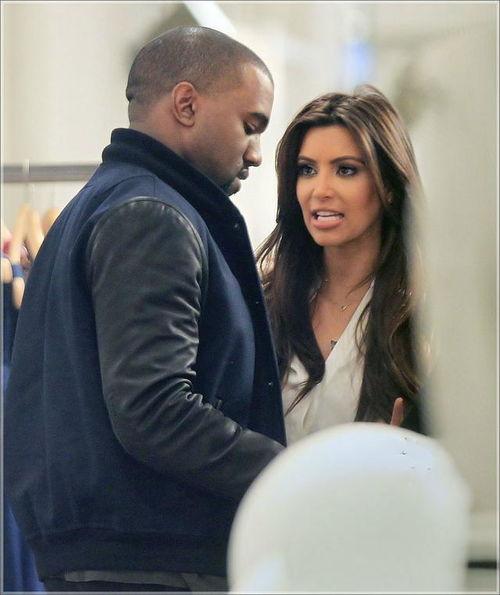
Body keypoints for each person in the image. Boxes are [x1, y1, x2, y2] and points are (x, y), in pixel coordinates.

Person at [4, 26, 286, 593]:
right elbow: (153, 408)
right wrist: (291, 470)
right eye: (250, 125)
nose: (256, 153)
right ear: (186, 104)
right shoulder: (152, 217)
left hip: (118, 555)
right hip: (154, 560)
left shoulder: (103, 206)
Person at [257, 85, 424, 445]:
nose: (320, 190)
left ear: (388, 185)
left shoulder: (423, 317)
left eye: (346, 170)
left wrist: (412, 453)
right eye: (307, 170)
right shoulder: (266, 300)